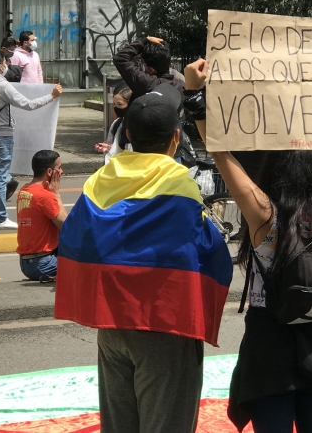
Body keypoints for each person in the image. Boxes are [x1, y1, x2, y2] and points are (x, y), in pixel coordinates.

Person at [181, 58, 312, 433]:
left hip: (269, 345)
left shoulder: (264, 215)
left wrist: (195, 94)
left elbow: (221, 153)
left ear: (272, 168)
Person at [55, 83, 233, 433]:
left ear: (129, 134)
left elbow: (75, 238)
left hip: (111, 325)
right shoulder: (179, 183)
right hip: (163, 324)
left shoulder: (101, 179)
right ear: (176, 138)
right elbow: (205, 251)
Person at [0, 50, 62, 230]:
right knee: (0, 178)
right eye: (6, 61)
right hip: (3, 136)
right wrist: (51, 96)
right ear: (0, 66)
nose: (7, 64)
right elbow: (28, 105)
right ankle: (1, 218)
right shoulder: (2, 86)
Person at [16, 150, 67, 282]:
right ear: (50, 172)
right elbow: (67, 227)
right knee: (86, 266)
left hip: (27, 263)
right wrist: (56, 194)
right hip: (43, 263)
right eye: (59, 168)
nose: (62, 172)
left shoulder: (25, 190)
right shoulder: (45, 196)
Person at [94, 84, 132, 163]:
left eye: (120, 104)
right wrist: (108, 148)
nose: (116, 108)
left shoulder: (139, 126)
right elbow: (116, 148)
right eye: (114, 104)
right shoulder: (117, 124)